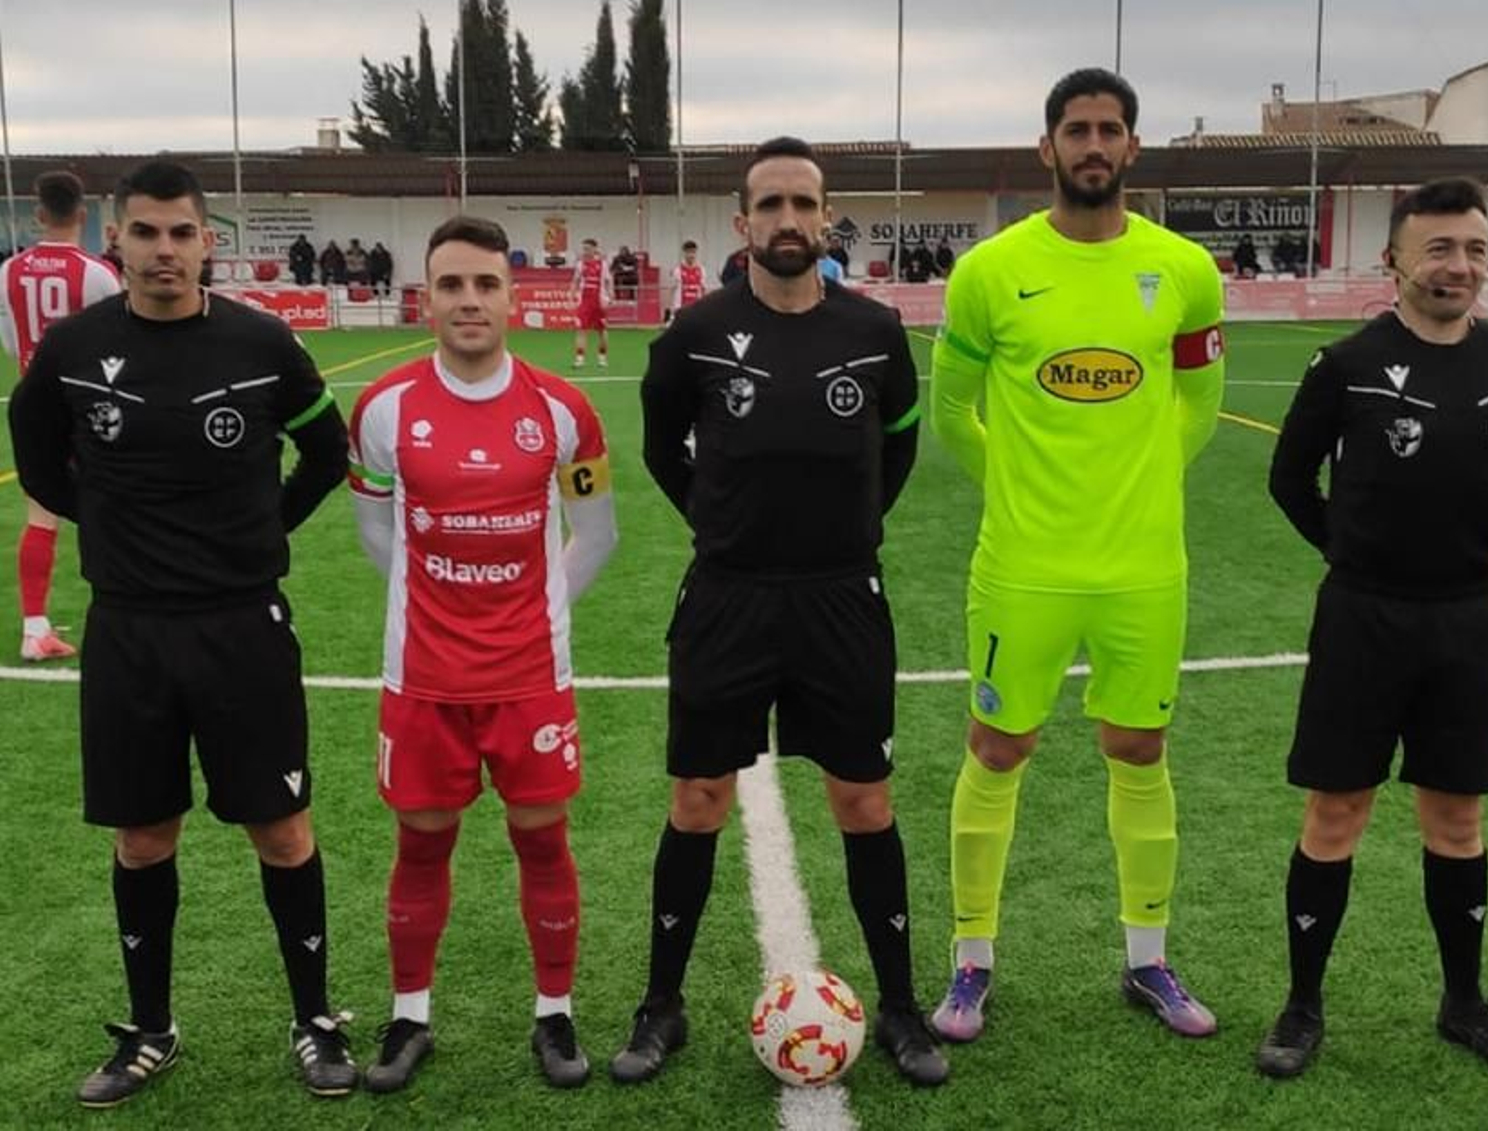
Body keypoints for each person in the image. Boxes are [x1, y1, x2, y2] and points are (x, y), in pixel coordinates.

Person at [6, 160, 355, 1106]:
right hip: (129, 631)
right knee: (142, 836)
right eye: (147, 232)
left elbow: (328, 450)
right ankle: (152, 1029)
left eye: (181, 233)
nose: (164, 250)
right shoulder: (75, 347)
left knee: (281, 831)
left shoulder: (262, 341)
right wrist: (106, 524)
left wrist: (266, 526)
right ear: (115, 239)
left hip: (243, 623)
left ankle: (315, 1020)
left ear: (208, 242)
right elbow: (34, 445)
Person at [611, 136, 947, 1088]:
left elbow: (898, 451)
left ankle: (899, 1009)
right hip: (727, 597)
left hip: (843, 597)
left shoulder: (876, 331)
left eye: (806, 204)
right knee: (698, 800)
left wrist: (843, 532)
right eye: (772, 205)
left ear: (828, 217)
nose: (790, 221)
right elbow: (662, 452)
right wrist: (728, 528)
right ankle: (661, 1007)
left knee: (864, 800)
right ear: (742, 222)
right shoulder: (694, 334)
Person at [928, 68, 1226, 1045]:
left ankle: (1148, 961)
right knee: (998, 747)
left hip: (1145, 567)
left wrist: (1134, 482)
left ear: (1132, 147)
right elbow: (952, 411)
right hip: (1023, 563)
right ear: (1045, 146)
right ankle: (972, 961)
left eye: (1109, 129)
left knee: (1137, 749)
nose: (1092, 144)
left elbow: (1197, 407)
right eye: (1075, 129)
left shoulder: (1184, 271)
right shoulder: (988, 272)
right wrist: (1025, 485)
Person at [1256, 177, 1488, 1079]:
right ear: (1395, 261)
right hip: (1363, 619)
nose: (1460, 266)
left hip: (1468, 621)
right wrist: (1353, 553)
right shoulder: (1343, 364)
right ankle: (1303, 1006)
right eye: (1440, 249)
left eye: (1475, 249)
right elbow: (1290, 480)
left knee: (1457, 819)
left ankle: (1463, 1003)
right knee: (1336, 811)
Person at [349, 216, 618, 1093]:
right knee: (421, 843)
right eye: (452, 286)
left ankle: (555, 1012)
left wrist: (529, 612)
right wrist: (443, 606)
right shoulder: (383, 409)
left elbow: (598, 535)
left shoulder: (564, 410)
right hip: (422, 678)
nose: (469, 301)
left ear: (512, 297)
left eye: (486, 285)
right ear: (425, 298)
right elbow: (375, 532)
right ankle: (409, 1016)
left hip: (530, 678)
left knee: (543, 840)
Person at [0, 171, 122, 661]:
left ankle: (35, 628)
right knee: (114, 506)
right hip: (87, 403)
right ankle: (124, 616)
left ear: (38, 213)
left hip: (34, 400)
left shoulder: (8, 271)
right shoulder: (95, 273)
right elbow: (119, 340)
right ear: (82, 213)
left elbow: (9, 337)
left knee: (41, 514)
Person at [569, 238, 611, 369]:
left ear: (594, 249)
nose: (585, 251)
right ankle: (580, 359)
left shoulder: (602, 264)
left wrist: (610, 294)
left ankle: (602, 358)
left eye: (587, 248)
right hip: (585, 302)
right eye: (584, 249)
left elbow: (608, 280)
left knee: (602, 331)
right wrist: (571, 295)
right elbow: (575, 281)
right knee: (581, 330)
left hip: (599, 302)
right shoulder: (580, 264)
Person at [667, 240, 709, 321]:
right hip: (680, 310)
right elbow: (671, 290)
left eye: (693, 252)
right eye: (689, 252)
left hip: (696, 310)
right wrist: (670, 310)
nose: (691, 255)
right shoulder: (677, 270)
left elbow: (704, 291)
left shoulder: (701, 270)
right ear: (684, 253)